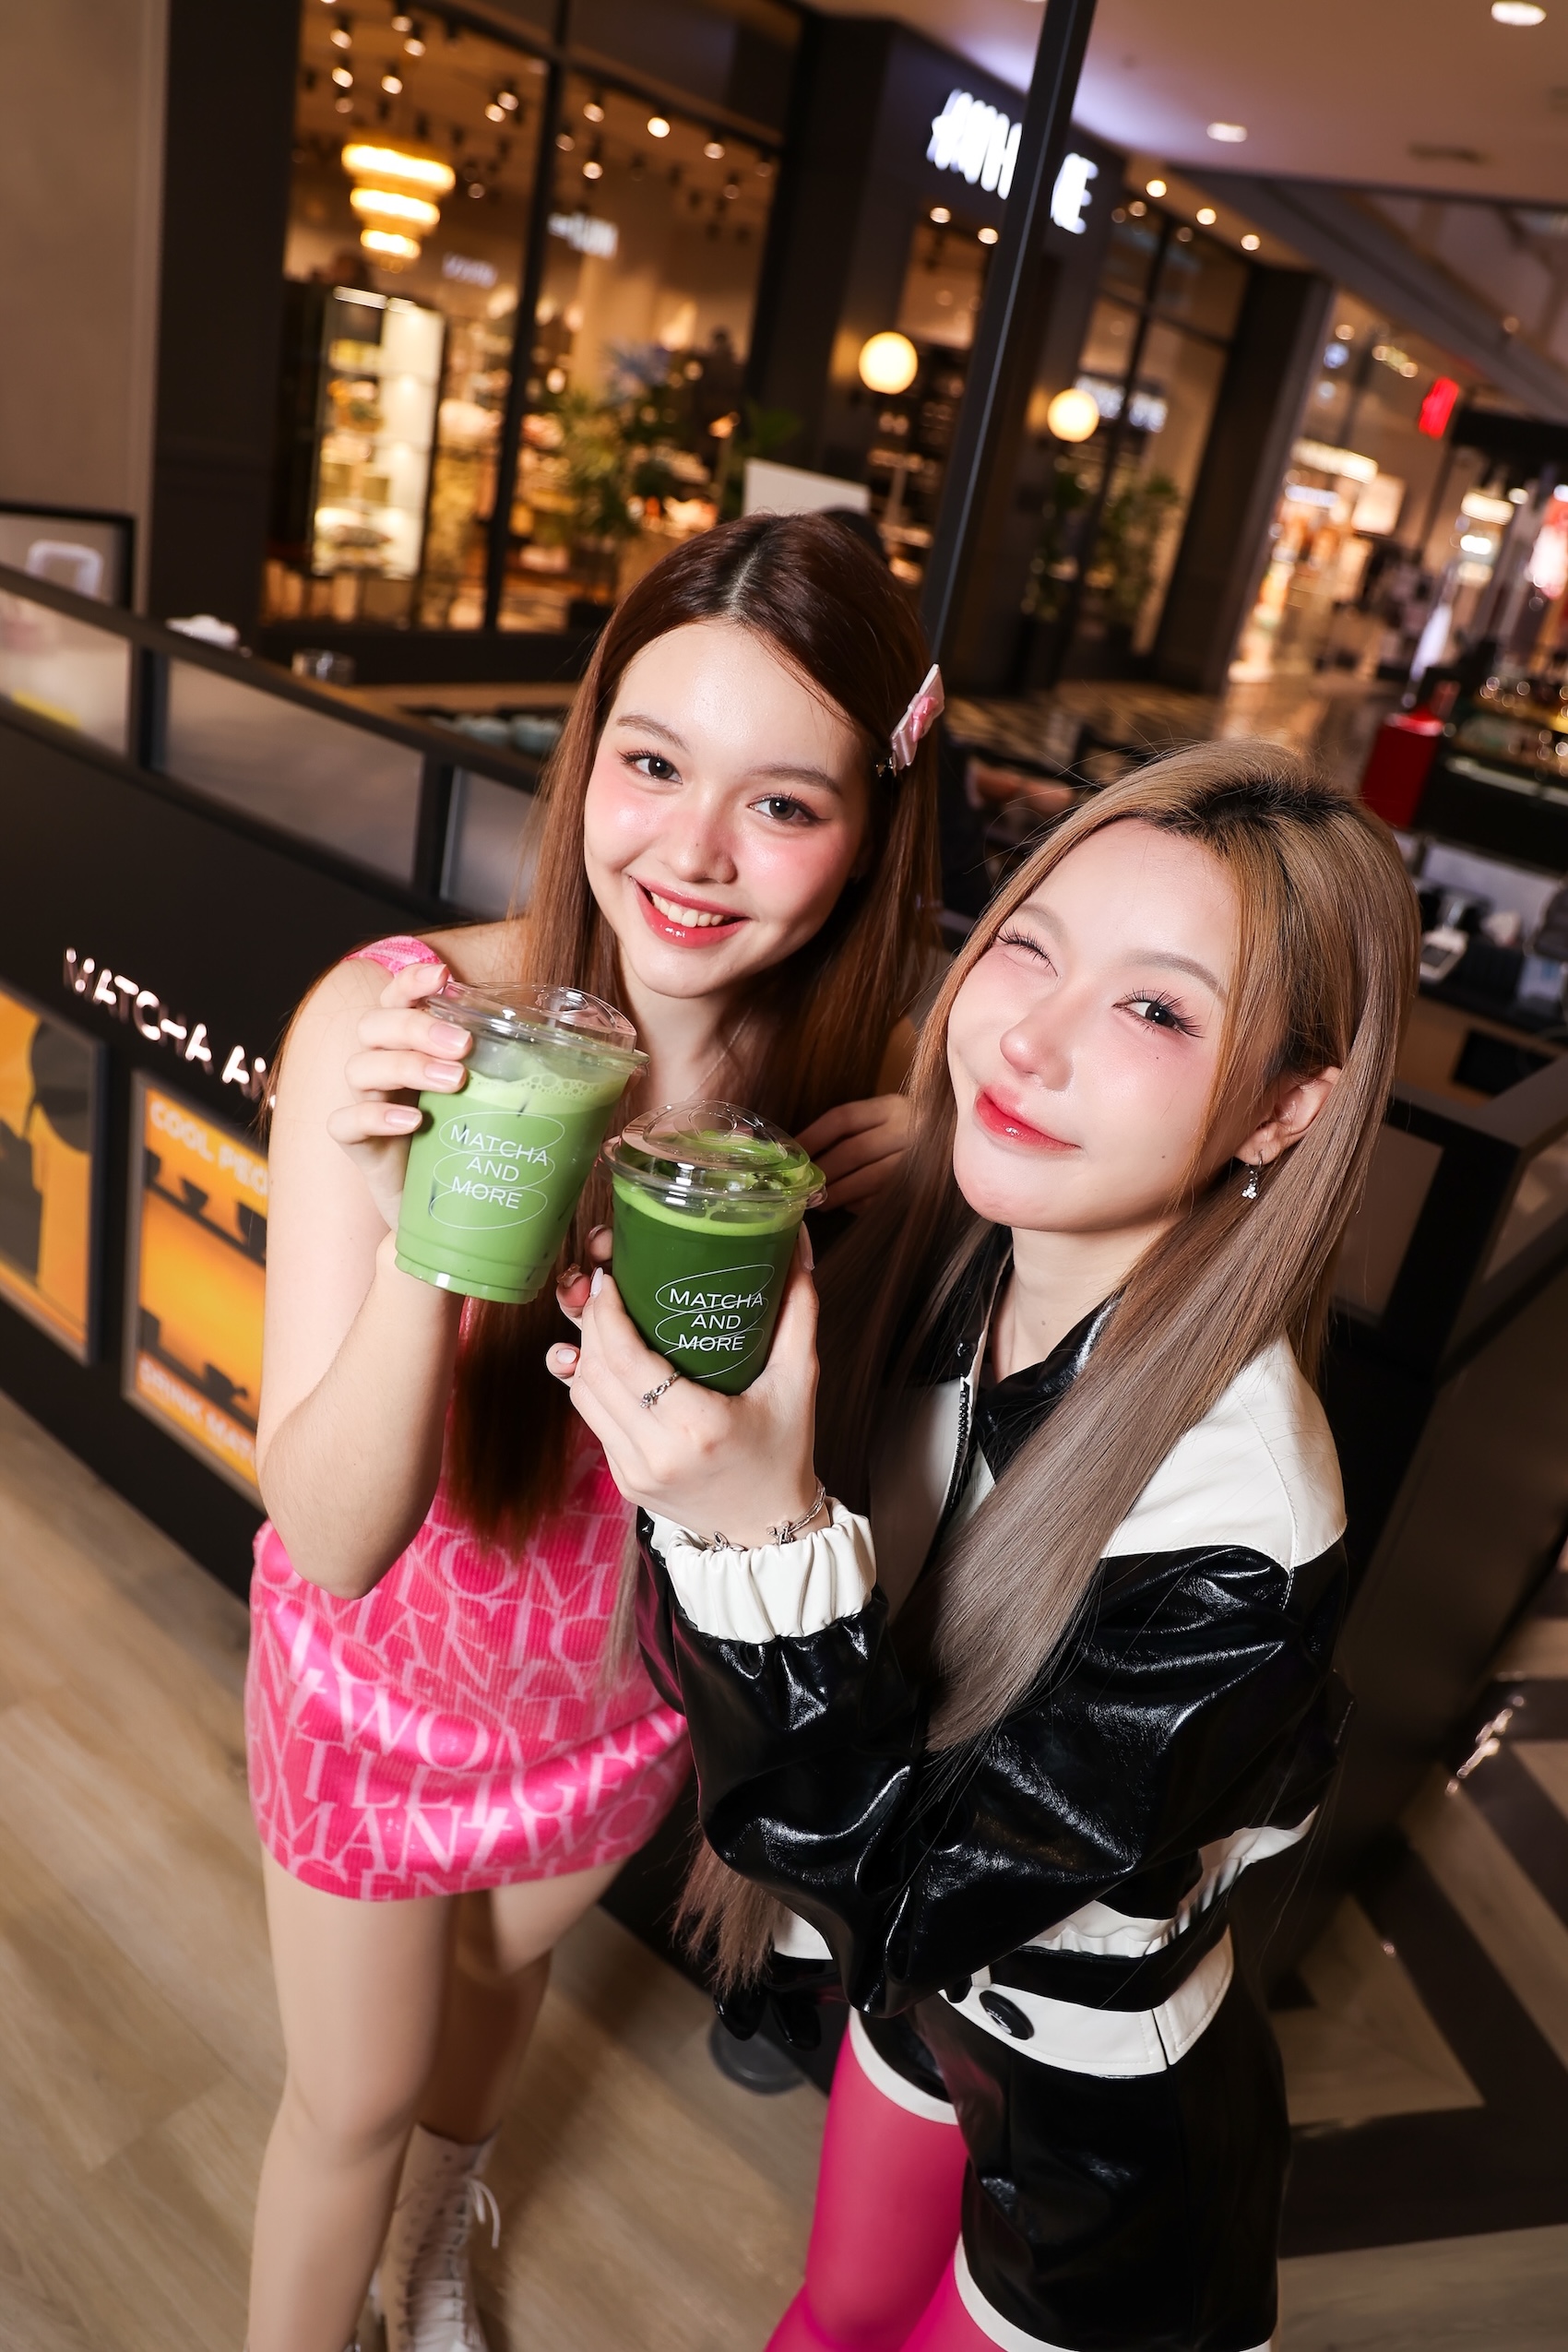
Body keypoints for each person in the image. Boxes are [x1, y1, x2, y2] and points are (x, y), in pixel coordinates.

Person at [553, 745, 1419, 2352]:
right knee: (829, 2322)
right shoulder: (950, 1261)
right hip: (919, 2009)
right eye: (1029, 943)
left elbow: (911, 1889)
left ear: (1286, 1107)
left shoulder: (1248, 1529)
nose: (1027, 1036)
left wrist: (754, 1530)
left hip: (1105, 2132)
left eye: (1154, 1009)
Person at [245, 512, 942, 2352]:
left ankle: (438, 2243)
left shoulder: (843, 1108)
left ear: (871, 828)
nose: (693, 855)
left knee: (494, 1987)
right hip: (383, 1690)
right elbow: (331, 1537)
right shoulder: (400, 1021)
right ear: (584, 762)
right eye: (651, 765)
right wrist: (428, 1226)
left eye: (781, 803)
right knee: (350, 2095)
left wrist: (922, 1203)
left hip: (617, 1701)